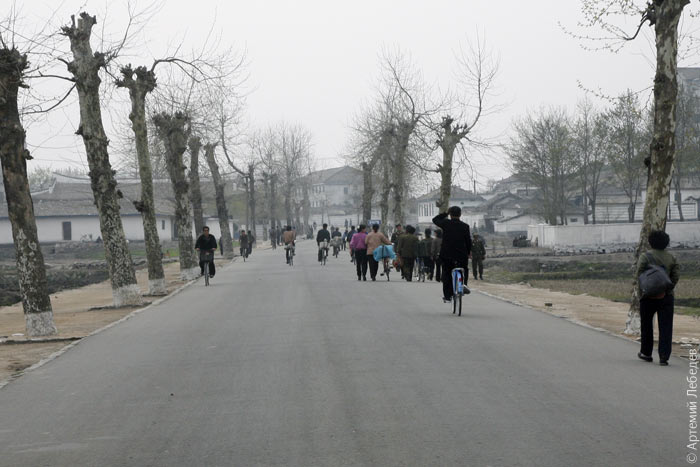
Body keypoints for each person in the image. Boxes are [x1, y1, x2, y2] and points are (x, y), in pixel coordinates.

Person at [636, 230, 679, 366]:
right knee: (666, 327)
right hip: (666, 296)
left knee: (646, 325)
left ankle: (646, 353)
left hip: (648, 296)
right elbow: (675, 276)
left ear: (650, 242)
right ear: (666, 243)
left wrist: (644, 290)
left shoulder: (645, 256)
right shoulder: (671, 258)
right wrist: (667, 289)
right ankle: (664, 357)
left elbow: (639, 274)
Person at [433, 206, 472, 302]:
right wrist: (469, 252)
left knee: (447, 274)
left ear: (450, 214)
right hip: (461, 255)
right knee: (464, 269)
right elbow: (468, 241)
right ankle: (464, 284)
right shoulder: (465, 226)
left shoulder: (446, 223)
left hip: (447, 255)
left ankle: (447, 297)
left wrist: (445, 213)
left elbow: (435, 219)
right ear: (460, 214)